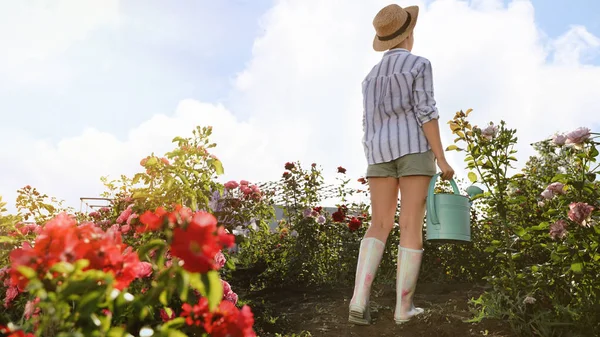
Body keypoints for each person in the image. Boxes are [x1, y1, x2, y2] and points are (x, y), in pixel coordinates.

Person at [348, 4, 455, 326]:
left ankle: (358, 300)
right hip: (413, 151)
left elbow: (368, 122)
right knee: (410, 225)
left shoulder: (369, 78)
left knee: (378, 224)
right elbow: (426, 112)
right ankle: (403, 309)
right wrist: (441, 156)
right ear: (409, 32)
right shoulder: (419, 64)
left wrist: (373, 154)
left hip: (378, 153)